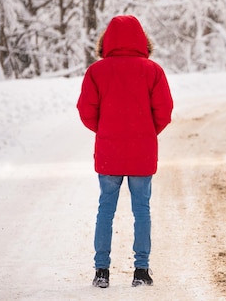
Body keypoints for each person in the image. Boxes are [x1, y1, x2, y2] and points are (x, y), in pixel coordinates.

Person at [77, 15, 173, 288]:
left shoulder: (96, 72)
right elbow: (164, 112)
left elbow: (86, 112)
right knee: (141, 210)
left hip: (109, 151)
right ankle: (141, 272)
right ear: (142, 40)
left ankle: (101, 272)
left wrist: (107, 130)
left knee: (105, 210)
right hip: (142, 152)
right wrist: (144, 132)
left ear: (106, 40)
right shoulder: (152, 71)